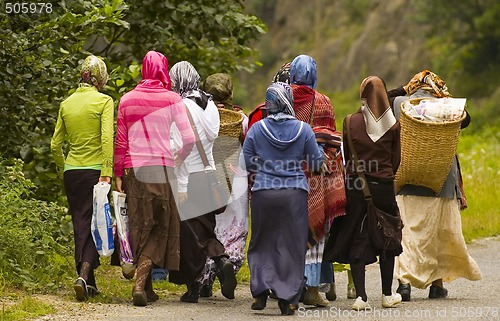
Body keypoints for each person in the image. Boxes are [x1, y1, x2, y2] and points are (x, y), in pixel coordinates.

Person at [389, 70, 481, 301]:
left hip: (407, 178)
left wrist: (403, 88)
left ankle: (405, 284)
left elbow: (382, 96)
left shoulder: (401, 103)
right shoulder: (449, 108)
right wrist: (445, 96)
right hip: (442, 180)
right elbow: (467, 120)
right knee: (439, 233)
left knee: (408, 232)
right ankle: (437, 285)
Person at [114, 51, 196, 306]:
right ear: (163, 70)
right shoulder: (172, 99)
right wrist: (178, 159)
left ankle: (145, 287)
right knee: (159, 226)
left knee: (139, 224)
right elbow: (189, 138)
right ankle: (141, 284)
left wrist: (118, 174)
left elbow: (120, 141)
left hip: (132, 170)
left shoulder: (126, 100)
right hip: (161, 169)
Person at [242, 82, 324, 315]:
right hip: (294, 194)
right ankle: (288, 298)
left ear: (269, 103)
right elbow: (316, 163)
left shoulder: (257, 129)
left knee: (262, 241)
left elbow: (246, 163)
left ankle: (260, 291)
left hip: (264, 193)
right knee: (291, 245)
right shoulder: (304, 130)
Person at [324, 75, 403, 310]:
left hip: (357, 186)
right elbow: (396, 160)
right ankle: (387, 295)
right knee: (388, 234)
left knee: (359, 235)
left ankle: (361, 297)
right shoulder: (394, 125)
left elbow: (347, 157)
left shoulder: (349, 122)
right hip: (385, 186)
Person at [167, 61, 237, 303]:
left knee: (189, 236)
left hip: (190, 177)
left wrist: (182, 186)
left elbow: (181, 148)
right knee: (205, 229)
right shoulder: (210, 106)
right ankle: (222, 260)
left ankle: (193, 287)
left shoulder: (181, 106)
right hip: (210, 176)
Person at [51, 55, 113, 301]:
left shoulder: (66, 103)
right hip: (95, 171)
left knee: (80, 222)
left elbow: (56, 143)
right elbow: (107, 138)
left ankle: (89, 282)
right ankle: (84, 274)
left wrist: (62, 169)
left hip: (72, 171)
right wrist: (107, 172)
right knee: (93, 223)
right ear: (100, 77)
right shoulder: (104, 101)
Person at [288, 54, 346, 307]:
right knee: (315, 231)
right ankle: (311, 288)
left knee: (288, 231)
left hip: (285, 174)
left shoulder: (280, 97)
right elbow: (331, 142)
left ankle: (288, 287)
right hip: (314, 177)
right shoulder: (322, 101)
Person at [196, 73, 249, 299]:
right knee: (233, 230)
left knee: (208, 228)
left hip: (210, 180)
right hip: (235, 180)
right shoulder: (241, 118)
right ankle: (229, 263)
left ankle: (206, 279)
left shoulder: (202, 115)